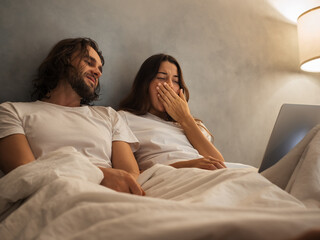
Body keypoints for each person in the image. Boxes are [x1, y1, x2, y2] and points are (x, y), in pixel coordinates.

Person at [0, 37, 144, 196]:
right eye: (89, 63)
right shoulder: (12, 112)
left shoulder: (109, 116)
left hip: (115, 195)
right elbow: (24, 174)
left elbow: (130, 173)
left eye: (99, 69)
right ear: (63, 61)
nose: (97, 72)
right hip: (55, 195)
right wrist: (98, 175)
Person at [118, 53, 226, 172]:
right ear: (145, 84)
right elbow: (131, 175)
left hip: (210, 174)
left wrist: (185, 118)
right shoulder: (124, 119)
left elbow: (220, 165)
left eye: (175, 81)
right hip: (173, 177)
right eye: (161, 78)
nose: (169, 85)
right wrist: (187, 165)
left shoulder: (193, 124)